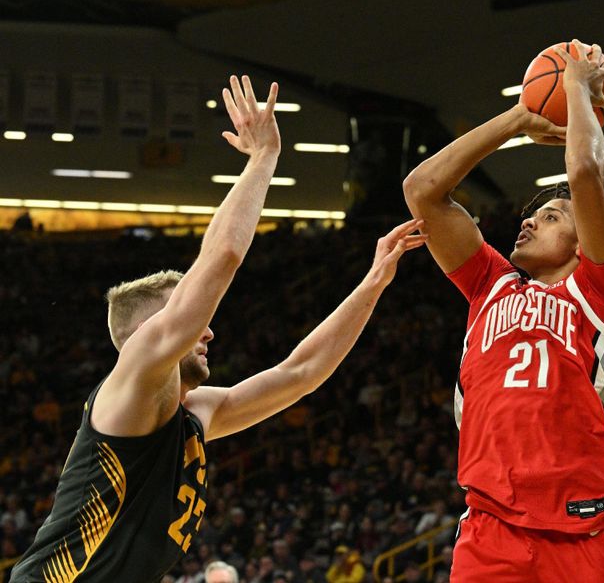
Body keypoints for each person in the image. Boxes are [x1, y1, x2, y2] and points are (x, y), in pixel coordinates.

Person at [10, 76, 427, 582]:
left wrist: (373, 282)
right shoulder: (134, 383)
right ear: (147, 331)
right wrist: (263, 157)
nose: (209, 331)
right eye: (193, 318)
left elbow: (302, 373)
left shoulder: (195, 413)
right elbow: (223, 256)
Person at [404, 39, 604, 582]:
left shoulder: (601, 290)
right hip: (491, 529)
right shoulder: (490, 286)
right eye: (532, 215)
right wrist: (516, 118)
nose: (528, 222)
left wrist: (574, 85)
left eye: (552, 217)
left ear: (585, 244)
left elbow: (584, 174)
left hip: (582, 531)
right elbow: (422, 191)